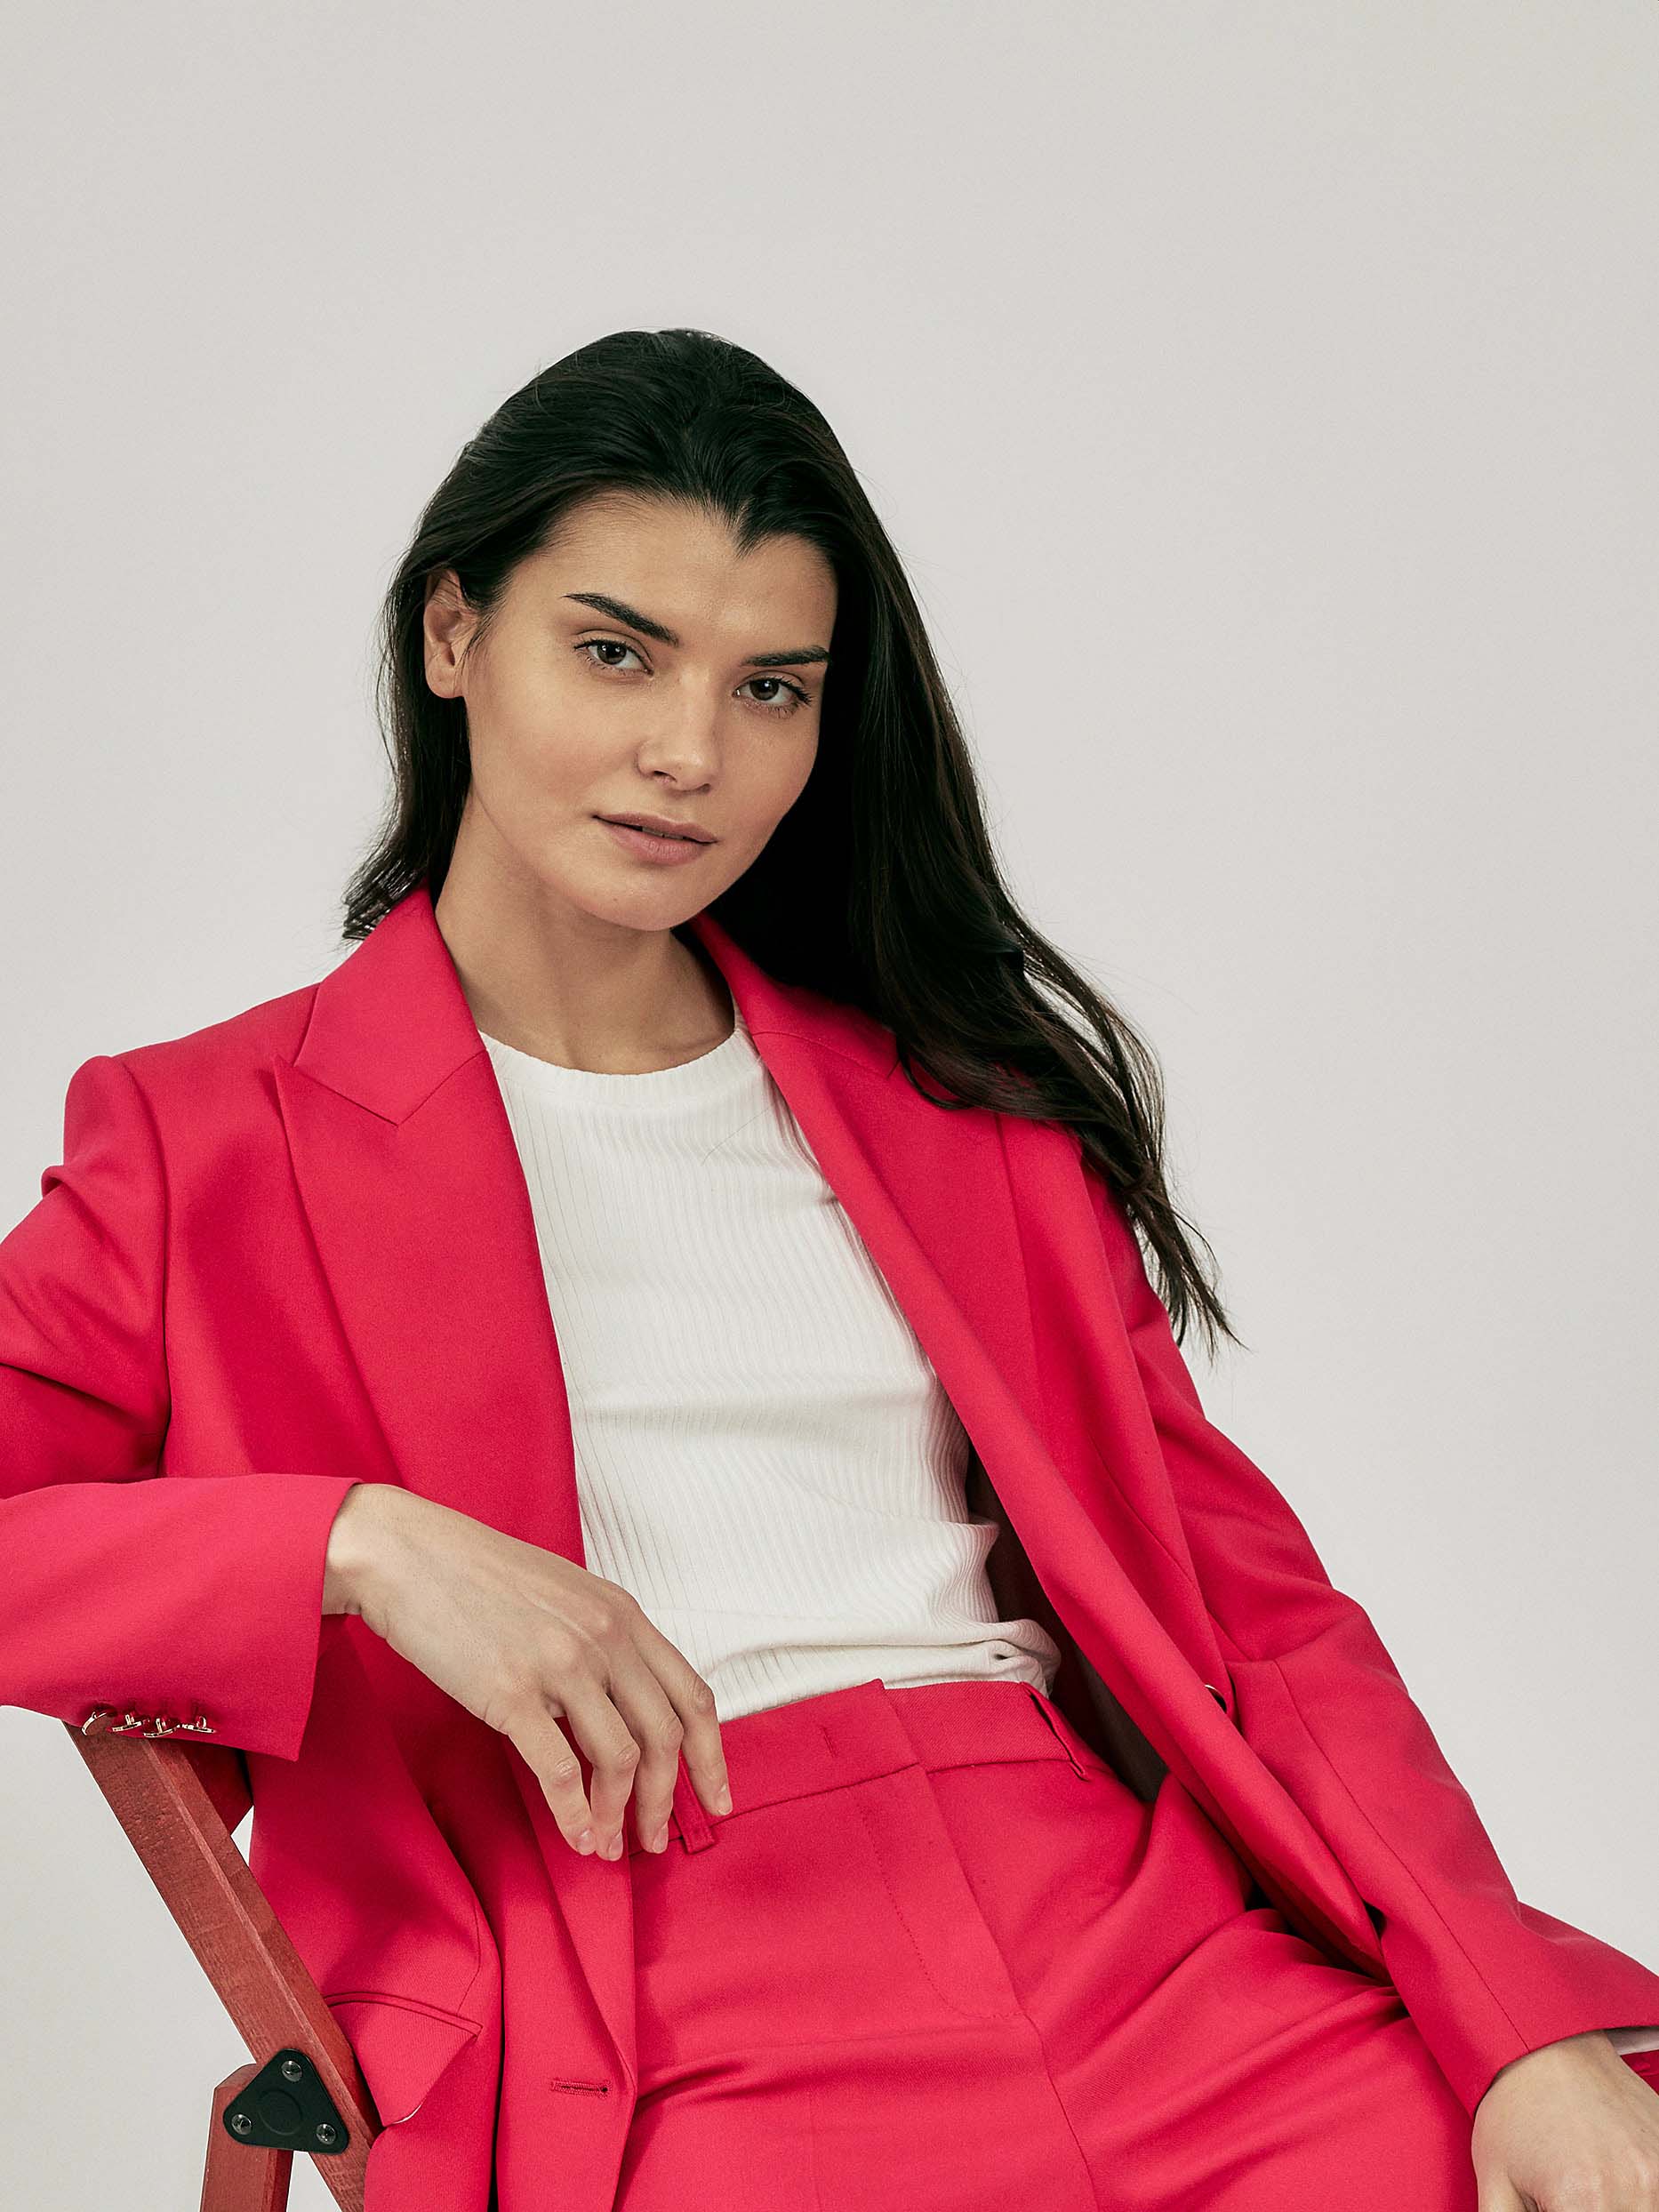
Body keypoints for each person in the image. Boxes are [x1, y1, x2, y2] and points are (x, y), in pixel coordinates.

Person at [6, 328, 1659, 2212]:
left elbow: (1256, 1615)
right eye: (615, 652)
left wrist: (1516, 2031)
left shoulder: (959, 1113)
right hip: (635, 1990)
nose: (690, 753)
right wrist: (358, 1545)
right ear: (454, 634)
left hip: (1143, 1945)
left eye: (770, 687)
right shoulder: (205, 1139)